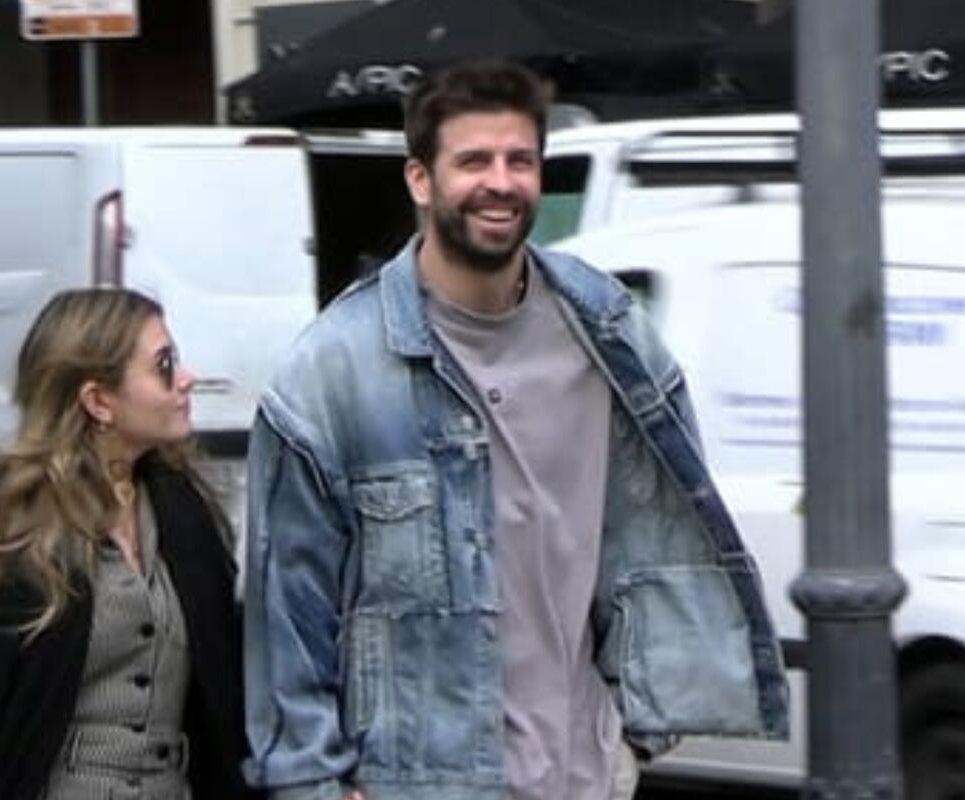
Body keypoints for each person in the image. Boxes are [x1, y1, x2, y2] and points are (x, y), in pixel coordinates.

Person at [242, 60, 789, 800]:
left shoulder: (609, 331)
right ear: (420, 180)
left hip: (586, 778)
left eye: (520, 161)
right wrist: (314, 786)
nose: (500, 182)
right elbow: (288, 616)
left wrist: (631, 732)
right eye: (473, 161)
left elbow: (660, 531)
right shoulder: (331, 371)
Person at [0, 288, 259, 800]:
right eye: (165, 366)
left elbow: (227, 703)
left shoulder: (185, 513)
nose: (187, 380)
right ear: (98, 401)